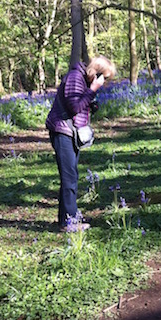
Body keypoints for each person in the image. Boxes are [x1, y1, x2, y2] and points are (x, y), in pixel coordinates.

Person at [46, 56, 116, 231]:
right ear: (96, 72)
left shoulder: (81, 80)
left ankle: (67, 218)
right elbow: (75, 107)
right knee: (69, 177)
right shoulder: (74, 78)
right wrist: (92, 89)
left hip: (70, 132)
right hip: (63, 131)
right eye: (104, 77)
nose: (104, 82)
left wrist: (91, 102)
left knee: (71, 176)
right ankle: (70, 221)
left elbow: (80, 104)